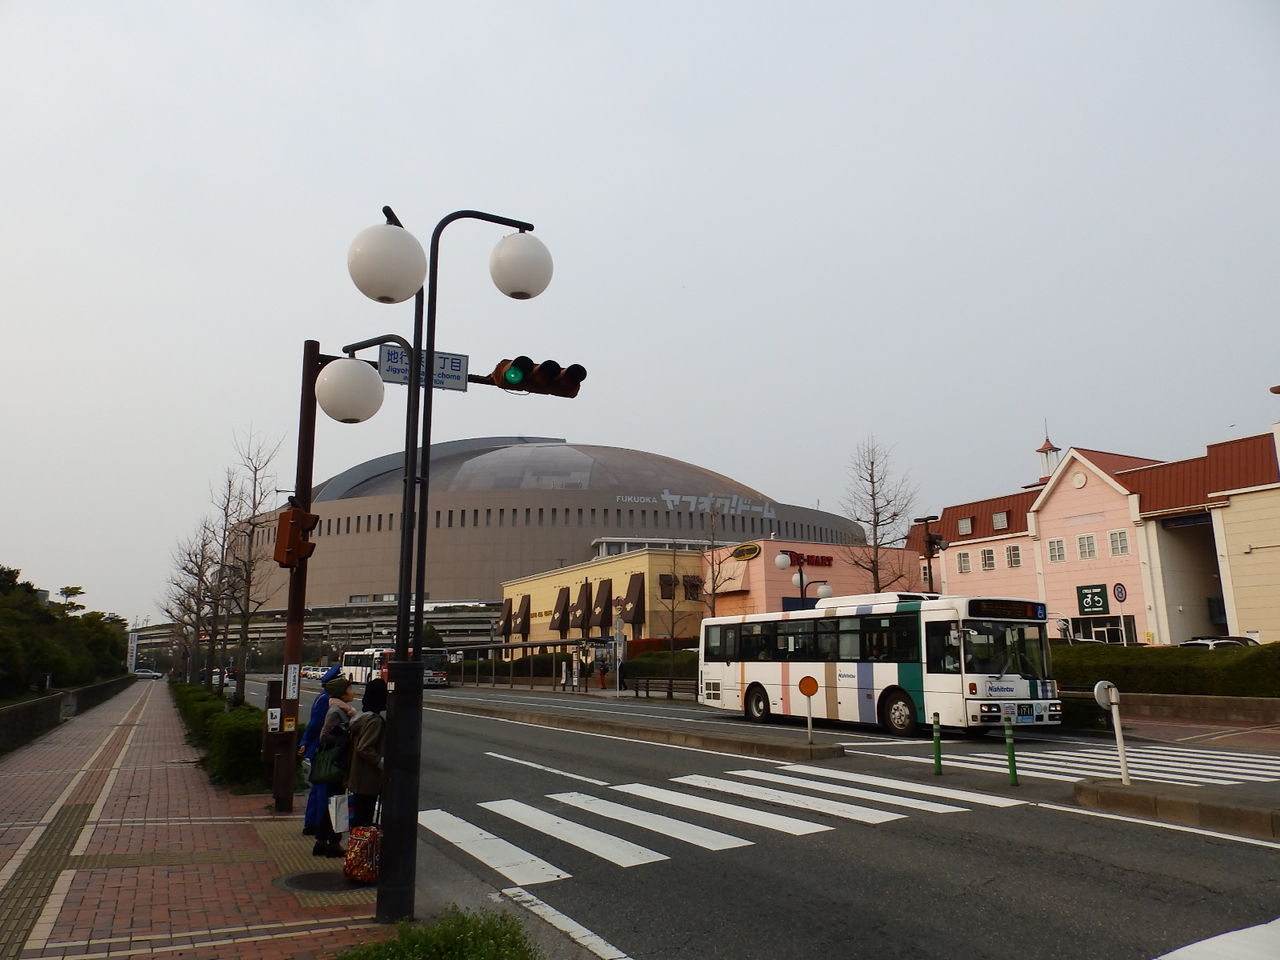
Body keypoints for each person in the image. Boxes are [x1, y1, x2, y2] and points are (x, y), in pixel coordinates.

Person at [312, 676, 357, 856]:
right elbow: (324, 736)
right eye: (350, 688)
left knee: (334, 801)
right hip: (336, 762)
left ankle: (324, 841)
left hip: (338, 761)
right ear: (342, 693)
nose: (353, 691)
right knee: (337, 801)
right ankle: (331, 842)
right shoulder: (336, 711)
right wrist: (343, 740)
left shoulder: (342, 709)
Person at [347, 679, 387, 829]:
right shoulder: (375, 721)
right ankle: (360, 845)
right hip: (368, 778)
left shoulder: (362, 717)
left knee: (358, 820)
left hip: (357, 775)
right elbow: (364, 747)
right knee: (364, 821)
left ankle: (355, 843)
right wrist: (380, 762)